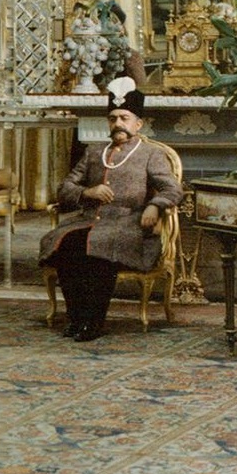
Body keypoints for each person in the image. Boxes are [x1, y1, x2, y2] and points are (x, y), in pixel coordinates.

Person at [39, 77, 183, 342]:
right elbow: (65, 187)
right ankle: (76, 318)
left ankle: (93, 323)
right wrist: (87, 192)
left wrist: (155, 205)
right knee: (65, 244)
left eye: (124, 118)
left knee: (101, 248)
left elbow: (173, 189)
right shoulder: (94, 152)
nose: (118, 124)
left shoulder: (150, 154)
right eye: (113, 118)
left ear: (138, 124)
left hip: (130, 223)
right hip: (89, 219)